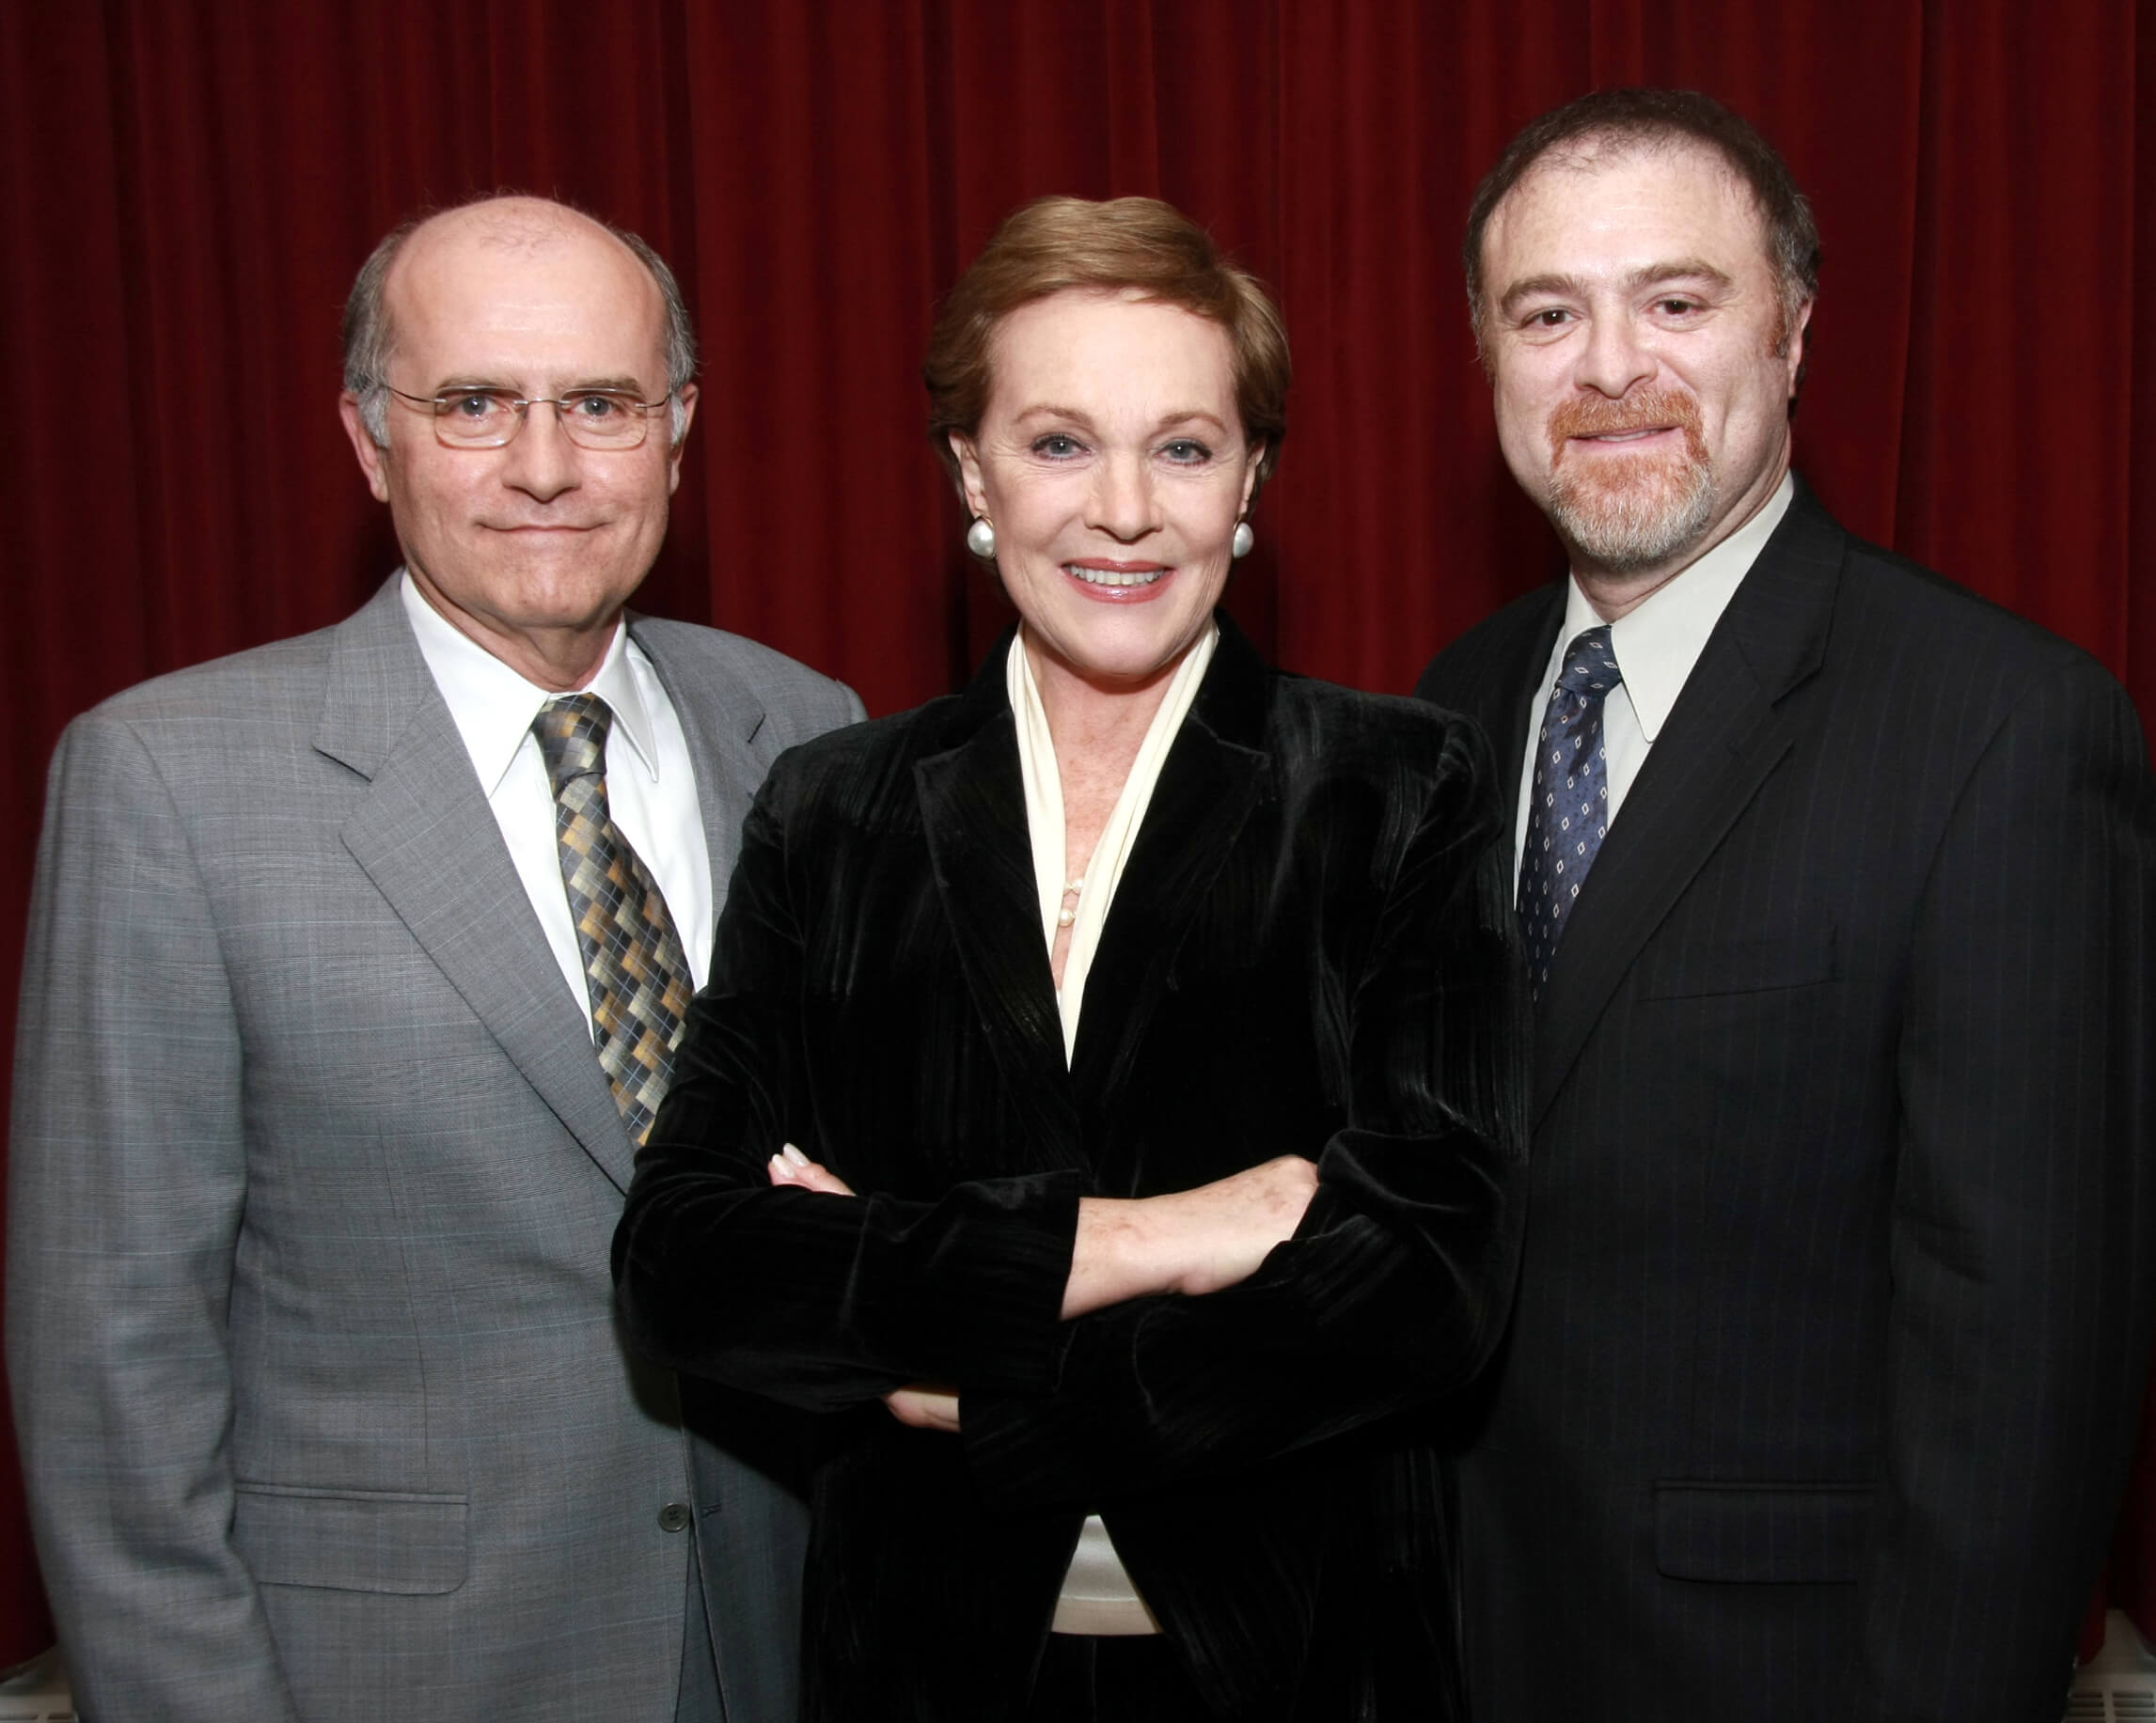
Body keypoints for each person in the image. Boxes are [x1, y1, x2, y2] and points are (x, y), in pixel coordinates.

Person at [611, 195, 1528, 1721]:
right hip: (919, 1664)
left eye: (1181, 447)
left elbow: (1432, 1273)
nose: (1123, 510)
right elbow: (687, 1263)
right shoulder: (833, 810)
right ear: (970, 472)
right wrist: (1159, 1234)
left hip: (1299, 1662)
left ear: (1250, 481)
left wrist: (979, 1380)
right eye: (1056, 443)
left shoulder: (1394, 786)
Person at [7, 195, 861, 1722]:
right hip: (403, 1674)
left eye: (598, 405)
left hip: (785, 1632)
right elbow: (110, 1377)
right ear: (365, 436)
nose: (544, 466)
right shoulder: (169, 781)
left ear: (675, 430)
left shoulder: (801, 730)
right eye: (473, 404)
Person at [1415, 88, 2156, 1722]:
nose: (1609, 367)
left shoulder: (1997, 729)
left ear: (1793, 333)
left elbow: (2021, 1369)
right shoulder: (1447, 719)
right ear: (1485, 354)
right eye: (1549, 313)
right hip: (1462, 1647)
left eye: (1676, 302)